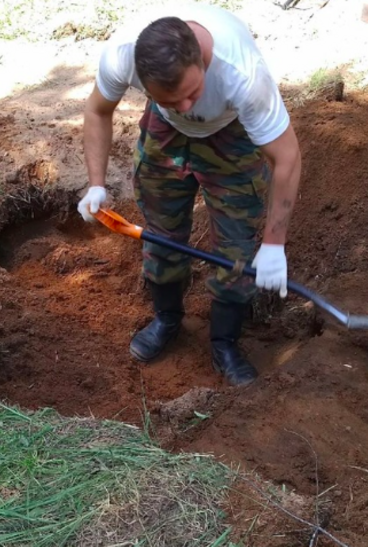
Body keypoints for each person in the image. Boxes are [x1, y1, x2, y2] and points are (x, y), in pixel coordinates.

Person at [77, 3, 302, 386]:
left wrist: (274, 245)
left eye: (192, 93)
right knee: (162, 233)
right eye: (169, 98)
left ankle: (225, 341)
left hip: (232, 134)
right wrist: (96, 182)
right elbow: (98, 111)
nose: (186, 108)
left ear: (201, 59)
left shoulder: (242, 76)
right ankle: (167, 319)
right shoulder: (122, 56)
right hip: (164, 134)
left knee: (236, 246)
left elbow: (287, 157)